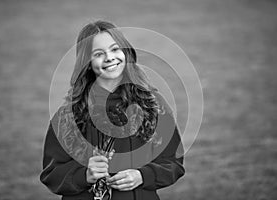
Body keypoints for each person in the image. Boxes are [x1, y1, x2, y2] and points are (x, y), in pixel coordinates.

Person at [40, 20, 185, 200]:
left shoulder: (153, 105)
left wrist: (143, 176)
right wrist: (84, 175)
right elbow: (52, 173)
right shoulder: (69, 114)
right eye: (99, 54)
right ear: (87, 62)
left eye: (115, 49)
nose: (109, 57)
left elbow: (173, 162)